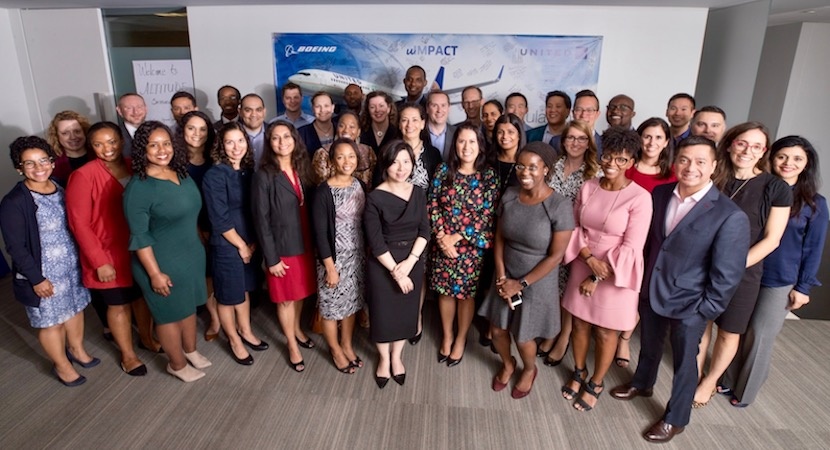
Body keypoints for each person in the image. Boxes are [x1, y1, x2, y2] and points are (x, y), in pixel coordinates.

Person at [609, 136, 750, 443]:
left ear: (714, 166)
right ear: (675, 162)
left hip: (692, 302)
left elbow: (728, 274)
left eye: (700, 162)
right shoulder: (659, 194)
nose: (691, 167)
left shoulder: (729, 214)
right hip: (652, 288)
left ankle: (676, 417)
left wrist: (706, 309)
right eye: (684, 160)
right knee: (649, 342)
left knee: (686, 362)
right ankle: (642, 383)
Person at [721, 135, 828, 407]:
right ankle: (727, 378)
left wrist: (803, 287)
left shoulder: (814, 202)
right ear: (771, 157)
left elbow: (813, 248)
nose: (787, 163)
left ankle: (745, 392)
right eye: (782, 156)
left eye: (797, 159)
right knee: (738, 328)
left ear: (806, 165)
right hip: (748, 271)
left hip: (778, 279)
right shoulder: (761, 188)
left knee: (760, 333)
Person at [692, 122, 792, 408]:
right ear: (730, 144)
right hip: (702, 265)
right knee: (701, 324)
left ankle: (710, 382)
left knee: (729, 330)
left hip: (744, 273)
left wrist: (731, 268)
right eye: (742, 143)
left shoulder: (776, 187)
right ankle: (694, 374)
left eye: (756, 146)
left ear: (764, 152)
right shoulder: (712, 177)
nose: (748, 150)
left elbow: (772, 239)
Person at [559, 128, 653, 411]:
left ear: (632, 162)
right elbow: (574, 226)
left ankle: (596, 382)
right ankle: (578, 371)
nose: (612, 164)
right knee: (578, 323)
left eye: (621, 160)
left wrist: (596, 276)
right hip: (583, 258)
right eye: (608, 157)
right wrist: (588, 260)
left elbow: (632, 246)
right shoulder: (589, 186)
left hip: (616, 273)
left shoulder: (640, 198)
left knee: (605, 333)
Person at [479, 141, 574, 399]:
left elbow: (556, 256)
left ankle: (529, 369)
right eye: (521, 166)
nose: (525, 172)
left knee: (524, 337)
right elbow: (498, 238)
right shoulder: (510, 194)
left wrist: (519, 284)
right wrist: (501, 276)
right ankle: (508, 363)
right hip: (506, 271)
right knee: (497, 329)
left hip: (537, 279)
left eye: (533, 167)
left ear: (546, 169)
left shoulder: (559, 205)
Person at [1, 136, 97, 387]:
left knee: (75, 310)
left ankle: (77, 350)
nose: (38, 167)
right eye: (29, 163)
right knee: (50, 322)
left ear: (52, 162)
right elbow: (16, 247)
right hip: (42, 274)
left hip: (71, 266)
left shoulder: (60, 186)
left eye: (43, 160)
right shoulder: (15, 202)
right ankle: (62, 365)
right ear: (19, 168)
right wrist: (37, 278)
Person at [65, 122, 159, 377]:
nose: (107, 148)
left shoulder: (133, 166)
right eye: (99, 143)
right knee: (118, 306)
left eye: (112, 141)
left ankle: (147, 339)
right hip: (107, 253)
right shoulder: (83, 175)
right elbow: (79, 224)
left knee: (141, 298)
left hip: (137, 249)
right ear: (91, 146)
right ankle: (128, 355)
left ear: (121, 141)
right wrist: (99, 261)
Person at [123, 121, 211, 382]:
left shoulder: (180, 173)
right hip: (160, 262)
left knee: (188, 309)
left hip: (190, 255)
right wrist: (154, 274)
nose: (162, 150)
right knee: (169, 316)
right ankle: (176, 363)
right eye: (153, 145)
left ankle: (190, 350)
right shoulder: (138, 189)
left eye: (166, 143)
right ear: (142, 150)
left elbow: (189, 214)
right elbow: (140, 237)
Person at [429, 124, 499, 367]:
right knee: (445, 292)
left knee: (465, 295)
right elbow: (433, 204)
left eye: (472, 141)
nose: (466, 147)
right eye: (461, 141)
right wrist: (441, 236)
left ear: (480, 145)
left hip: (470, 248)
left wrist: (455, 237)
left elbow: (487, 214)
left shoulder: (488, 175)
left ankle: (460, 339)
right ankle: (447, 335)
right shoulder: (443, 170)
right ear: (454, 144)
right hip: (442, 244)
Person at [363, 140, 430, 388]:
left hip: (412, 262)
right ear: (386, 164)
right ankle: (383, 359)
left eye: (406, 162)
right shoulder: (374, 197)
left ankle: (397, 356)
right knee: (382, 315)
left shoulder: (419, 192)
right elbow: (375, 241)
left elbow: (425, 231)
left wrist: (410, 263)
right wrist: (396, 272)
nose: (401, 168)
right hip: (383, 264)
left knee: (405, 314)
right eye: (394, 162)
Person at [252, 121, 317, 373]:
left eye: (286, 136)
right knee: (286, 300)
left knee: (300, 293)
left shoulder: (303, 167)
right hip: (281, 250)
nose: (282, 142)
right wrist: (271, 258)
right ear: (269, 143)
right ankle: (291, 344)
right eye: (276, 138)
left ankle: (297, 330)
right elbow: (261, 219)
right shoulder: (264, 175)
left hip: (304, 243)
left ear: (294, 139)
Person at [614, 117, 678, 368]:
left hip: (654, 240)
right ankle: (611, 329)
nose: (651, 142)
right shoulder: (626, 166)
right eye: (647, 136)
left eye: (658, 137)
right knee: (619, 287)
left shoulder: (672, 174)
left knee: (640, 291)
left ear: (666, 142)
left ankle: (624, 337)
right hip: (623, 237)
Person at [202, 122, 268, 366]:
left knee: (244, 290)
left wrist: (252, 243)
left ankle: (246, 330)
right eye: (229, 142)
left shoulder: (248, 171)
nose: (236, 146)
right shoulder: (215, 174)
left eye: (240, 140)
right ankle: (234, 340)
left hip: (249, 241)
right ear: (221, 145)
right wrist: (241, 245)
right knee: (229, 295)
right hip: (227, 244)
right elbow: (219, 218)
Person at [537, 120, 601, 367]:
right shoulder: (553, 166)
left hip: (576, 239)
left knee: (568, 293)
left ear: (589, 142)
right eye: (570, 138)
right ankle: (551, 331)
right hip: (546, 235)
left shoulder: (594, 172)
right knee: (551, 288)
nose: (575, 143)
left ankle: (563, 336)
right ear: (563, 141)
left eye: (581, 138)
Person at [311, 138, 367, 374]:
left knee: (352, 303)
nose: (347, 161)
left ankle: (346, 343)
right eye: (341, 156)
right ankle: (335, 348)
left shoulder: (358, 185)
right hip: (333, 259)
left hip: (357, 256)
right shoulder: (323, 191)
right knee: (332, 307)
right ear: (333, 160)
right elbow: (320, 234)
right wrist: (330, 267)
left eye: (351, 156)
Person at [180, 111, 220, 342]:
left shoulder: (214, 158)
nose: (197, 134)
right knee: (199, 274)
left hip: (214, 222)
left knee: (213, 273)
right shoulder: (175, 161)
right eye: (191, 129)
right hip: (188, 227)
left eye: (202, 129)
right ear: (182, 131)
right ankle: (211, 316)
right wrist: (196, 229)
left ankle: (216, 314)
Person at [311, 110, 376, 187]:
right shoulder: (323, 153)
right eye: (341, 126)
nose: (346, 130)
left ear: (358, 131)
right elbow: (320, 186)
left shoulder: (368, 152)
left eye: (352, 127)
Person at [392, 103, 442, 191]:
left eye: (414, 120)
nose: (409, 125)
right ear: (399, 124)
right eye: (404, 120)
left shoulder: (433, 153)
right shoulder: (390, 151)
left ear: (422, 124)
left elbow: (438, 187)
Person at [46, 110, 92, 186]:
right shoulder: (51, 164)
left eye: (77, 131)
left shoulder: (99, 155)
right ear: (56, 136)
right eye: (65, 133)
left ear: (85, 131)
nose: (73, 137)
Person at [490, 113, 525, 190]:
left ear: (519, 135)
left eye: (510, 132)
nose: (505, 136)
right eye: (500, 132)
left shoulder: (525, 163)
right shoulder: (488, 160)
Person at [360, 91, 399, 157]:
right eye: (372, 107)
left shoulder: (398, 133)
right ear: (368, 110)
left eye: (381, 106)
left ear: (388, 108)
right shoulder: (361, 132)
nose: (377, 110)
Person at [298, 92, 337, 157]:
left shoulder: (341, 129)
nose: (322, 110)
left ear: (333, 108)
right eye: (318, 106)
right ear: (313, 109)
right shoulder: (301, 133)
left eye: (326, 106)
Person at [426, 91, 456, 161]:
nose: (439, 110)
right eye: (434, 105)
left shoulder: (457, 133)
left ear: (449, 108)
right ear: (427, 109)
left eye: (443, 105)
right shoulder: (417, 133)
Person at [239, 94, 268, 167]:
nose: (254, 114)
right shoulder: (230, 134)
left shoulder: (274, 133)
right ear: (240, 112)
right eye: (248, 110)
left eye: (258, 110)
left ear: (264, 112)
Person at [572, 90, 603, 156]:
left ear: (597, 114)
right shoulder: (556, 142)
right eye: (579, 109)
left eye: (589, 110)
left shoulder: (605, 144)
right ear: (573, 113)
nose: (583, 115)